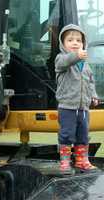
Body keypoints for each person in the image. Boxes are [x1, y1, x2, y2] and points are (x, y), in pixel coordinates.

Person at [55, 24, 99, 174]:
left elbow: (90, 81)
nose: (75, 43)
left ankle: (82, 161)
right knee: (66, 134)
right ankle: (65, 162)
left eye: (79, 40)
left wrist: (93, 95)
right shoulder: (61, 59)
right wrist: (76, 56)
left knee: (83, 134)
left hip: (83, 108)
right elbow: (66, 61)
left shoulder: (86, 65)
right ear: (63, 44)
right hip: (67, 106)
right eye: (70, 40)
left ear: (83, 44)